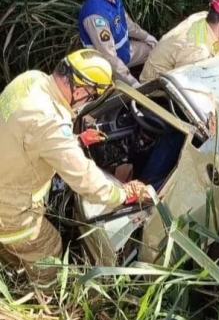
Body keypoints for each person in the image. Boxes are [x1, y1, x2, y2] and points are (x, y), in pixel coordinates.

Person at [0, 50, 148, 284]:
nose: (87, 103)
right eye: (91, 97)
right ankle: (45, 301)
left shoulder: (32, 80)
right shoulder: (49, 122)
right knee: (49, 251)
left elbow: (29, 135)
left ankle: (17, 277)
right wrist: (123, 193)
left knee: (16, 252)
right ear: (79, 90)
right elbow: (86, 181)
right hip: (10, 209)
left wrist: (77, 140)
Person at [78, 0, 158, 88]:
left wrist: (147, 37)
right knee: (122, 93)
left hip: (125, 51)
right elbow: (109, 56)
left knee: (156, 52)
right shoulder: (95, 15)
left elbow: (128, 24)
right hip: (107, 67)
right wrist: (131, 82)